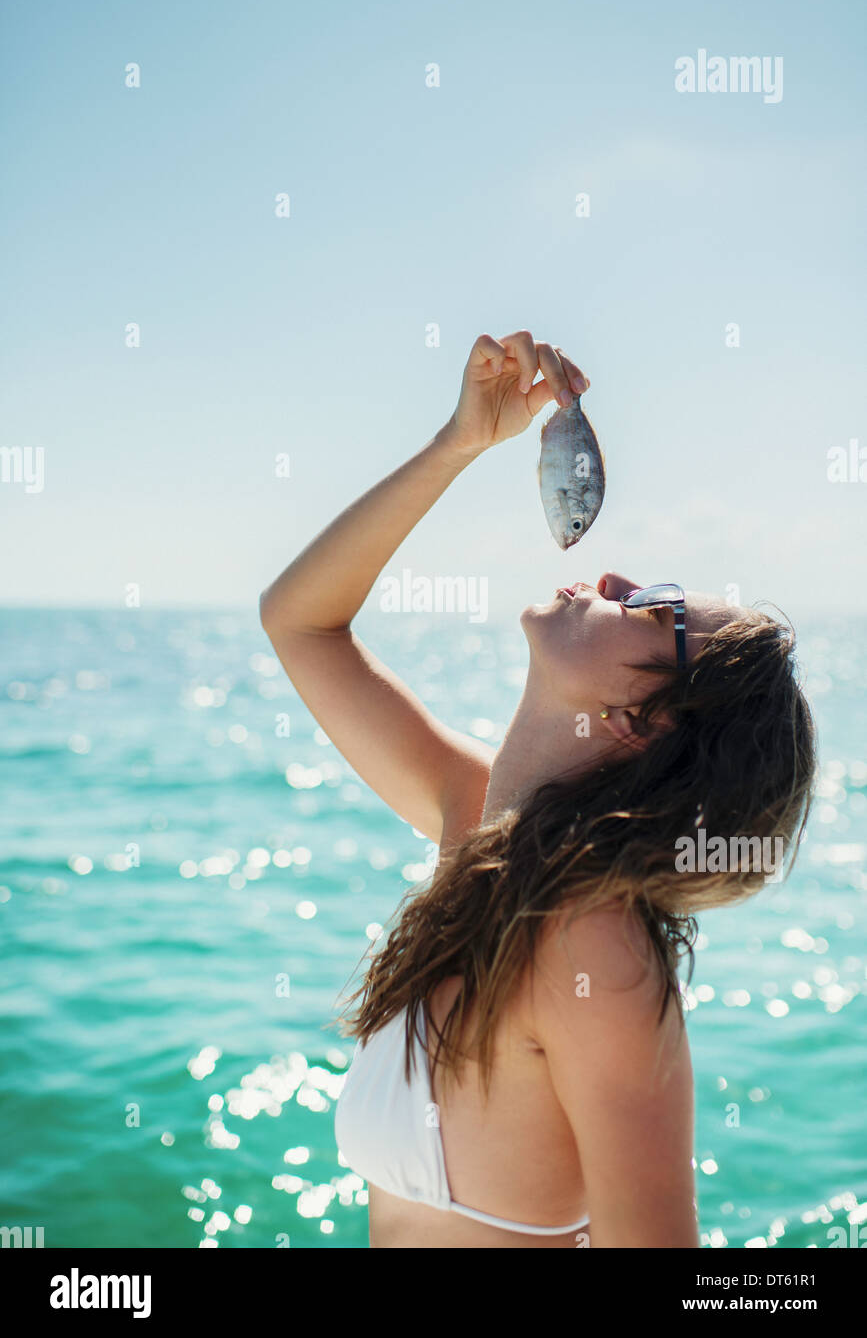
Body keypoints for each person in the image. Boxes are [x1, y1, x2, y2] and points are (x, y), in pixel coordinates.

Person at [259, 330, 817, 1249]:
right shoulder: (477, 830)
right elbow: (299, 621)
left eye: (660, 611)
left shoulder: (591, 949)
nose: (613, 578)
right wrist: (459, 444)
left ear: (646, 719)